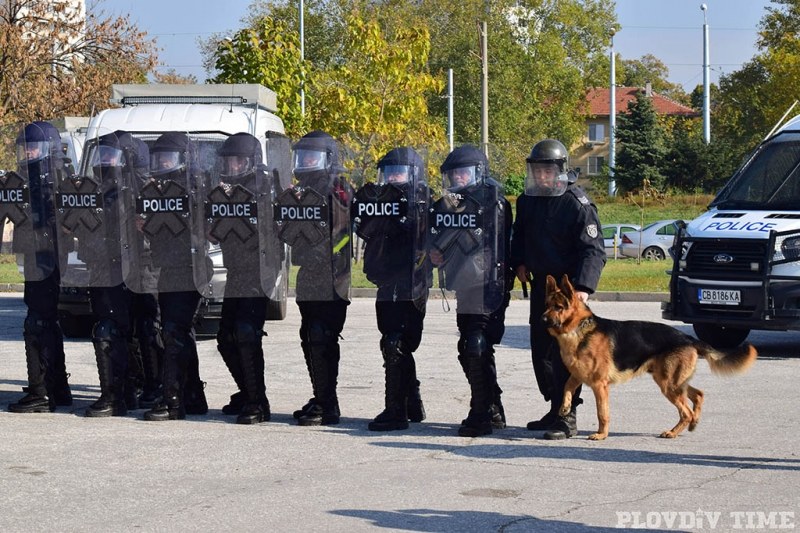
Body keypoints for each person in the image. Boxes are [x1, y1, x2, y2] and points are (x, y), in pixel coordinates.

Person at [509, 138, 606, 439]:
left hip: (568, 295)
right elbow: (519, 236)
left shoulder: (577, 203)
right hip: (541, 288)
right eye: (537, 170)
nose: (542, 176)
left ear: (561, 170)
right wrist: (519, 262)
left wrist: (583, 288)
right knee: (542, 354)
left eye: (548, 170)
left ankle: (568, 416)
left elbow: (594, 250)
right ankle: (554, 410)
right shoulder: (527, 200)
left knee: (567, 355)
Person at [429, 145, 513, 437]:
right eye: (453, 174)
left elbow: (497, 244)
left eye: (463, 173)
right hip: (463, 285)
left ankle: (482, 414)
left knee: (476, 345)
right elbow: (436, 235)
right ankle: (492, 407)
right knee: (468, 348)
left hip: (489, 284)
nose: (458, 179)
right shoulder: (448, 203)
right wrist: (434, 253)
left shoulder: (494, 202)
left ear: (478, 172)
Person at [127, 131, 207, 421]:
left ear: (184, 160)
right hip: (166, 267)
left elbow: (203, 229)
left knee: (173, 333)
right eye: (158, 158)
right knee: (179, 332)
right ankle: (194, 396)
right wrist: (143, 225)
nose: (162, 164)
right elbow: (156, 229)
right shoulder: (154, 192)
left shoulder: (195, 188)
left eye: (168, 158)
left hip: (189, 267)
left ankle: (173, 401)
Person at [275, 130, 352, 426]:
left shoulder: (339, 188)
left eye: (312, 156)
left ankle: (328, 405)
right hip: (307, 275)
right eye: (303, 156)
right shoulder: (297, 192)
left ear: (328, 158)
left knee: (322, 337)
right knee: (308, 336)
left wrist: (326, 252)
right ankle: (321, 395)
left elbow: (342, 230)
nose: (306, 161)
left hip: (333, 276)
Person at [352, 147, 431, 431]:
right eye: (389, 172)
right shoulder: (377, 199)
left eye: (399, 171)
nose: (393, 177)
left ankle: (395, 410)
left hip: (412, 280)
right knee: (390, 340)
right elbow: (363, 229)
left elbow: (425, 233)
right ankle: (411, 402)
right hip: (385, 278)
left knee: (396, 342)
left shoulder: (422, 200)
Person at [206, 132, 278, 424]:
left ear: (251, 161)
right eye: (228, 160)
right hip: (236, 271)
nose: (232, 166)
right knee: (225, 338)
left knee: (247, 334)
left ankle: (257, 403)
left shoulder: (264, 190)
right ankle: (247, 391)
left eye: (237, 160)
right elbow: (217, 228)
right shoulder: (226, 192)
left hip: (258, 272)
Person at [7, 121, 72, 413]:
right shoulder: (21, 184)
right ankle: (57, 386)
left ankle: (42, 391)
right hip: (32, 258)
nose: (28, 153)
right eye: (25, 148)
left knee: (37, 322)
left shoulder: (58, 184)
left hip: (49, 257)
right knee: (45, 320)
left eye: (34, 148)